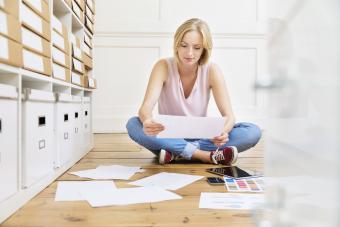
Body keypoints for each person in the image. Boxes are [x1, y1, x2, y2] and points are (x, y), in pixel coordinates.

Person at [126, 18, 261, 165]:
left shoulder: (212, 70)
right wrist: (147, 121)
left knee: (252, 131)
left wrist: (223, 132)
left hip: (201, 139)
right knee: (133, 124)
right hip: (169, 136)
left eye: (197, 47)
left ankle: (178, 153)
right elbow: (146, 107)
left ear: (204, 49)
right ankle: (204, 156)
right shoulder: (163, 66)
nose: (189, 53)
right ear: (176, 45)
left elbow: (229, 116)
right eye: (184, 45)